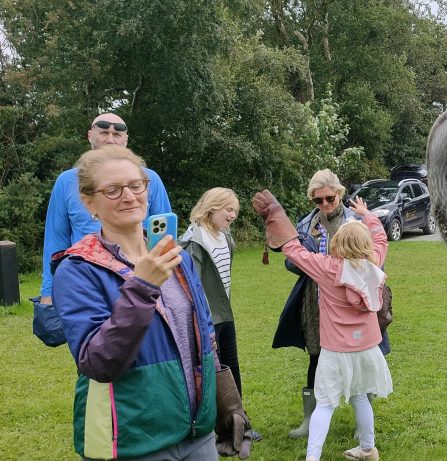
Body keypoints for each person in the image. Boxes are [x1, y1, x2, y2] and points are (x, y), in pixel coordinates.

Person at [51, 146, 251, 460]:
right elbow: (98, 363)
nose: (129, 196)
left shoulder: (177, 257)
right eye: (113, 190)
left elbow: (205, 335)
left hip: (196, 432)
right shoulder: (78, 270)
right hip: (133, 439)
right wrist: (141, 286)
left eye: (135, 185)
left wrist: (226, 403)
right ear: (90, 203)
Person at [253, 190, 393, 461]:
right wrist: (366, 215)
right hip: (367, 347)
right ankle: (368, 449)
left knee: (326, 404)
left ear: (337, 244)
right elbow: (380, 237)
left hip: (335, 350)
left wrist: (276, 217)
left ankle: (312, 457)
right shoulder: (375, 260)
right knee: (361, 397)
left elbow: (293, 251)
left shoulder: (328, 269)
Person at [38, 113, 171, 310]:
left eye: (117, 134)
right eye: (103, 132)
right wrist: (48, 292)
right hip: (88, 279)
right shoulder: (67, 182)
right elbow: (56, 241)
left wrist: (169, 279)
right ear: (90, 135)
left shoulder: (148, 178)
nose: (110, 139)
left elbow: (164, 235)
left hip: (141, 274)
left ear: (126, 140)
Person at [178, 188, 262, 444]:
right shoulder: (194, 240)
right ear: (212, 207)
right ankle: (209, 426)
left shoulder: (225, 237)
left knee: (231, 367)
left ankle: (238, 420)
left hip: (225, 314)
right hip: (205, 320)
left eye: (235, 211)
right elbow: (192, 287)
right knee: (209, 372)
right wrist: (204, 325)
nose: (233, 215)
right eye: (228, 210)